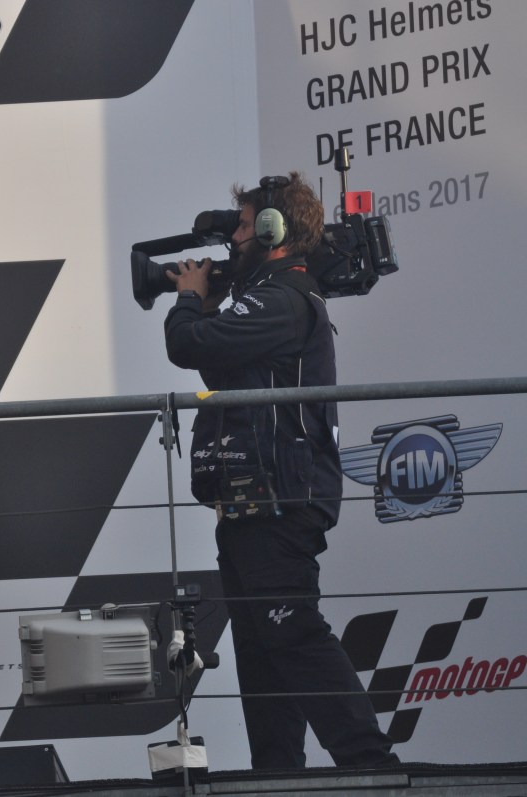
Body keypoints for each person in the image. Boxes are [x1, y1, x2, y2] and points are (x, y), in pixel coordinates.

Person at [163, 172, 398, 770]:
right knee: (260, 649)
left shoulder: (283, 297)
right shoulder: (268, 297)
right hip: (251, 497)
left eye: (244, 227)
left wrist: (189, 297)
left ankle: (371, 767)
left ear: (274, 230)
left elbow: (189, 345)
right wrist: (208, 303)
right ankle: (276, 774)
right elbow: (223, 367)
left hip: (280, 496)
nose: (234, 239)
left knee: (290, 631)